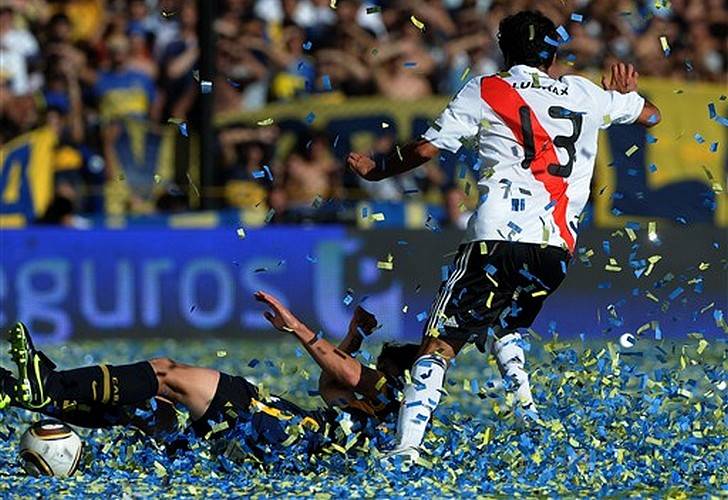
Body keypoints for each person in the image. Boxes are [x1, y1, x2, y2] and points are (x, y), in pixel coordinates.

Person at [346, 10, 662, 461]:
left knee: (438, 345)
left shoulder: (486, 88)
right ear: (553, 54)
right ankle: (528, 416)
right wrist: (626, 98)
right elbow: (652, 116)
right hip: (555, 249)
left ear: (504, 51)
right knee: (506, 325)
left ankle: (407, 448)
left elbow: (426, 149)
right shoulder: (586, 93)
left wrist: (378, 169)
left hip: (495, 240)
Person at [0, 291, 419, 465]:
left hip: (271, 426)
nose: (370, 375)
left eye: (377, 371)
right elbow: (334, 384)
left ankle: (50, 388)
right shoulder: (378, 421)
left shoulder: (399, 393)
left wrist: (296, 327)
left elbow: (343, 373)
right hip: (275, 446)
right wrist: (353, 338)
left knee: (165, 372)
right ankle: (27, 394)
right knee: (149, 410)